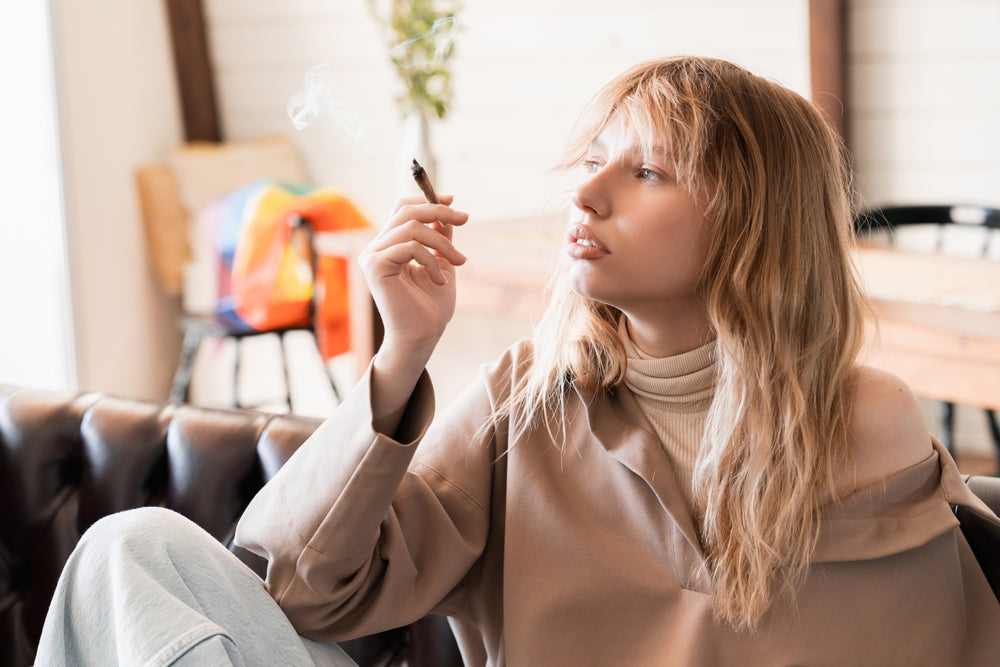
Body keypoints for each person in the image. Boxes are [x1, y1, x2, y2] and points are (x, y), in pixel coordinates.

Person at [37, 55, 1000, 666]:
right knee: (130, 555)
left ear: (756, 225)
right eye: (593, 158)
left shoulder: (870, 421)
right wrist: (403, 353)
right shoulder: (530, 400)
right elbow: (294, 588)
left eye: (648, 169)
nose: (587, 194)